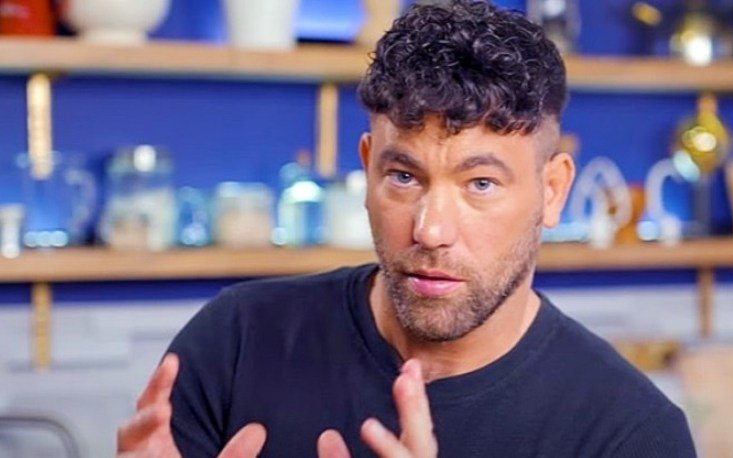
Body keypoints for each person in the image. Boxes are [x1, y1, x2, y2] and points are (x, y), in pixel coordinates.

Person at [116, 1, 696, 457]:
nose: (431, 230)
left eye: (481, 184)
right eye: (403, 177)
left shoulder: (630, 433)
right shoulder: (238, 340)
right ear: (368, 168)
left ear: (552, 191)